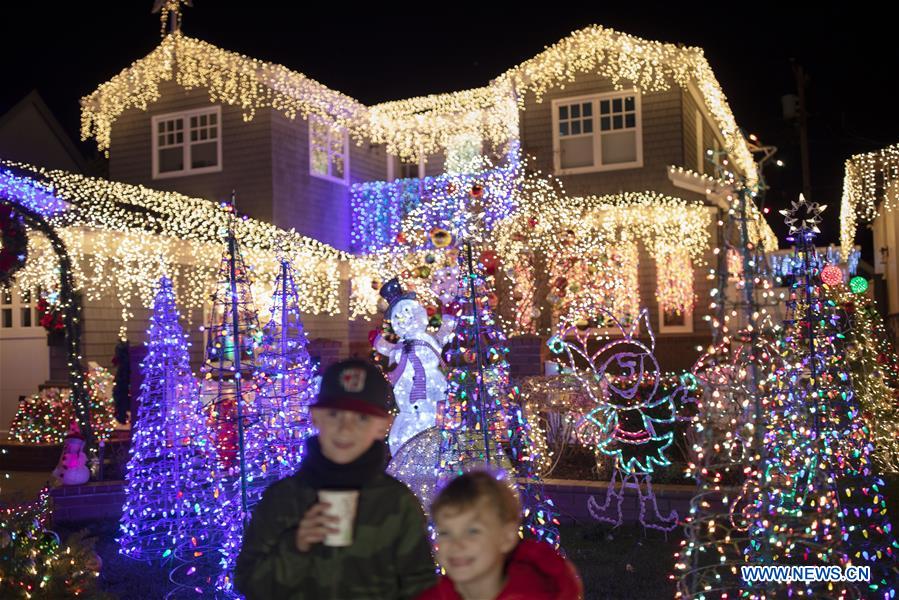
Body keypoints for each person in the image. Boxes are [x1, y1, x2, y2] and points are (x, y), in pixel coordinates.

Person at [235, 358, 437, 599]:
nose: (345, 428)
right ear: (316, 417)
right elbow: (249, 583)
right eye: (334, 414)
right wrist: (296, 546)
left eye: (362, 419)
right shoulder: (283, 498)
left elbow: (422, 589)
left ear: (383, 426)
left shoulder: (397, 503)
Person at [417, 470, 582, 600]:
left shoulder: (538, 595)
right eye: (445, 533)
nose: (456, 544)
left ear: (507, 537)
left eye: (472, 531)